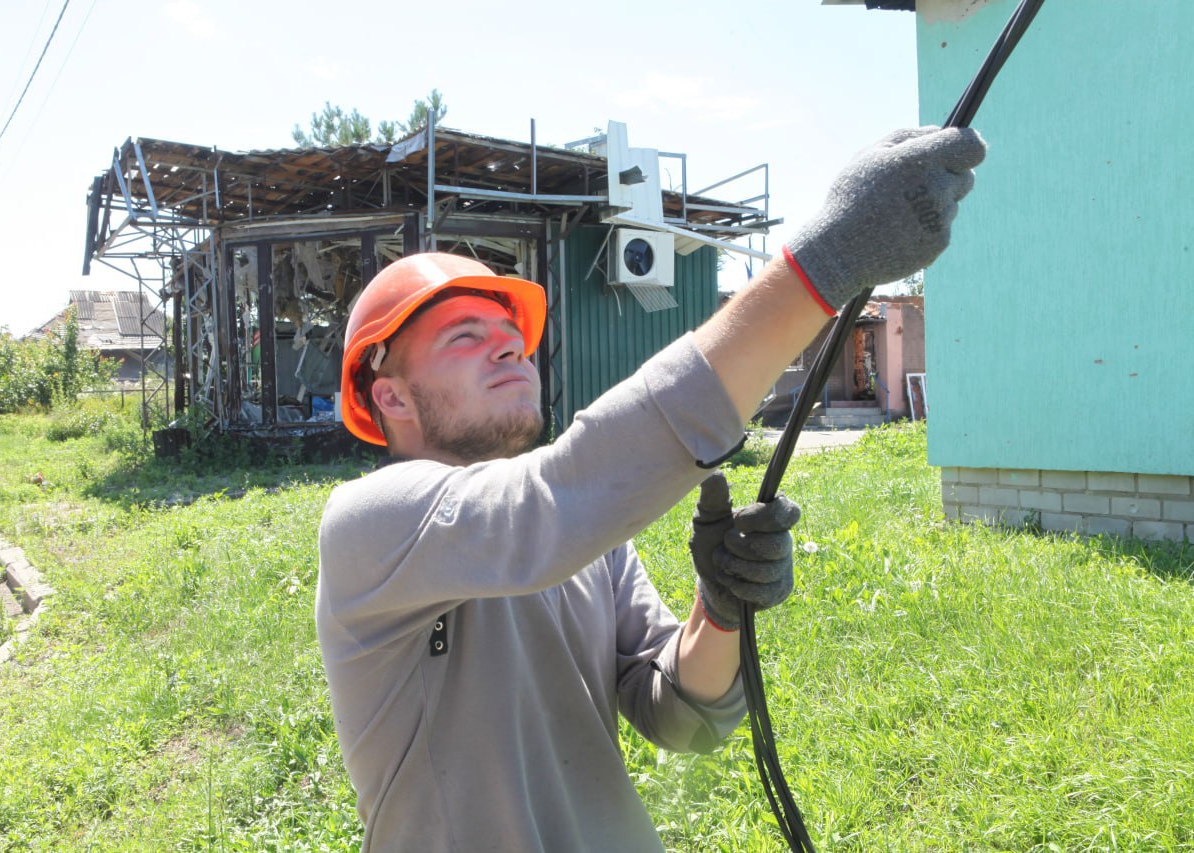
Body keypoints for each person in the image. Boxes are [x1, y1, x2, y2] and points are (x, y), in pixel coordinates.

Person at [315, 126, 986, 851]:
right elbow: (551, 500)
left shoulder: (588, 543)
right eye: (464, 336)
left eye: (510, 331)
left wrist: (720, 610)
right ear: (392, 399)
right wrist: (824, 263)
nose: (511, 342)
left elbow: (678, 712)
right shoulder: (367, 528)